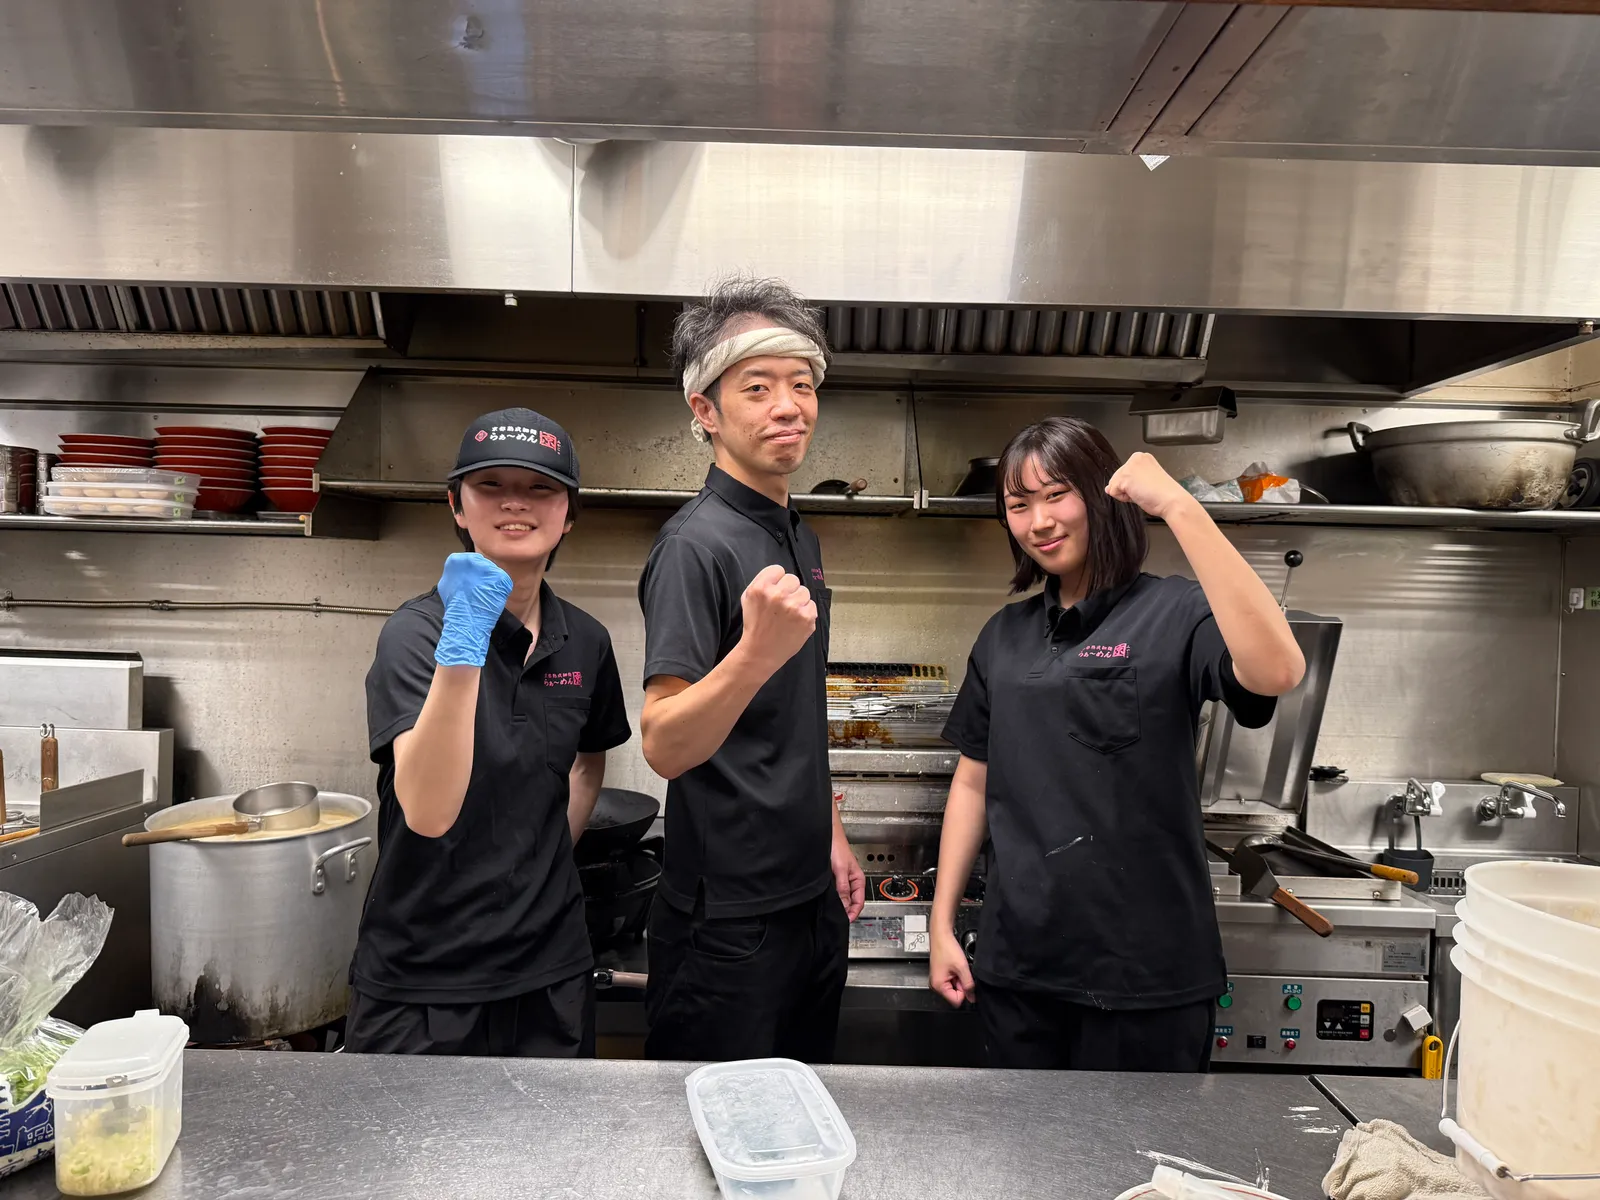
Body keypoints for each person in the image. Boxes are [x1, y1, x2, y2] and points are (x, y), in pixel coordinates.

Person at [927, 416, 1306, 1072]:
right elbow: (973, 780)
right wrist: (941, 925)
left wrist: (1179, 507)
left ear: (1102, 497)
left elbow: (1278, 670)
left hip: (1148, 983)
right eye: (1019, 505)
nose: (1038, 520)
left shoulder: (1177, 613)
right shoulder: (1004, 636)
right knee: (1023, 1170)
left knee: (1141, 1176)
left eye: (1056, 495)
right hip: (1020, 974)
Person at [348, 406, 632, 1056]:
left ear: (569, 511)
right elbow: (425, 810)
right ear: (456, 503)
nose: (517, 504)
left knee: (550, 1157)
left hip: (550, 972)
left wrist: (541, 853)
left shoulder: (585, 640)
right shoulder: (415, 635)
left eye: (540, 488)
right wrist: (466, 637)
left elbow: (590, 761)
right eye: (491, 486)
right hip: (423, 981)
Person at [636, 276, 865, 1063]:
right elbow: (664, 743)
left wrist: (829, 831)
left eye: (801, 385)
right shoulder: (694, 547)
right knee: (712, 1139)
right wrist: (754, 652)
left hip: (807, 899)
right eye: (758, 387)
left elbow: (792, 714)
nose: (788, 406)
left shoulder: (796, 534)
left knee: (803, 1119)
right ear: (706, 410)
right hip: (729, 923)